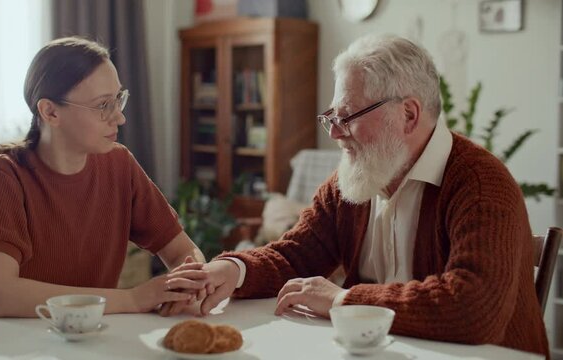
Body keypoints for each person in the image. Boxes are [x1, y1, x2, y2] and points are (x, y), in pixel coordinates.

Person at [182, 34, 548, 357]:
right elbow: (295, 257)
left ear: (408, 114)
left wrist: (343, 300)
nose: (335, 133)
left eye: (349, 115)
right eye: (332, 117)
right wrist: (233, 269)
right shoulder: (353, 180)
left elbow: (473, 308)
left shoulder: (481, 184)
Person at [0, 37, 208, 317]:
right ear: (50, 111)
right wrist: (131, 299)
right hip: (13, 341)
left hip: (89, 337)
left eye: (119, 99)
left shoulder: (119, 164)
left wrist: (189, 283)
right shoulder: (2, 176)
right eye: (103, 105)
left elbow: (184, 253)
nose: (119, 118)